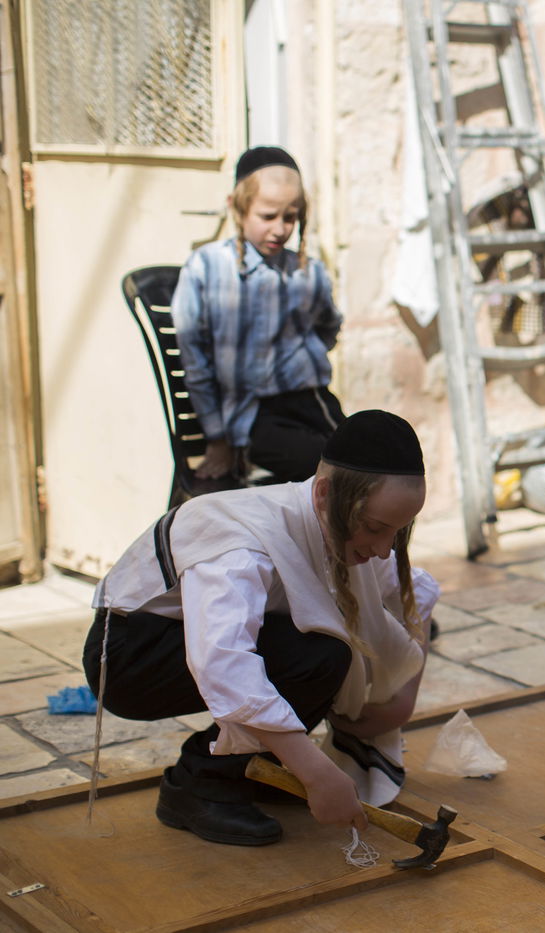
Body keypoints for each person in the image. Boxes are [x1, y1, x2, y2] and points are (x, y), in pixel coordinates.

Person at [83, 410, 438, 846]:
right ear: (327, 494)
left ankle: (257, 769)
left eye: (397, 534)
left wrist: (402, 700)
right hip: (130, 658)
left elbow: (413, 598)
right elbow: (222, 662)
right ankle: (198, 784)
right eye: (375, 529)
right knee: (319, 653)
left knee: (327, 651)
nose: (384, 550)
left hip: (183, 648)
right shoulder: (241, 540)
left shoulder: (332, 523)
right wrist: (316, 771)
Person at [172, 145, 345, 486]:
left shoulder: (307, 271)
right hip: (251, 415)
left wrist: (298, 358)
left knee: (379, 465)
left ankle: (381, 542)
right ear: (237, 209)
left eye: (290, 217)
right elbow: (195, 361)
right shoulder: (206, 267)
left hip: (312, 402)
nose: (280, 229)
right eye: (268, 217)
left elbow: (329, 326)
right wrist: (217, 439)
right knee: (335, 474)